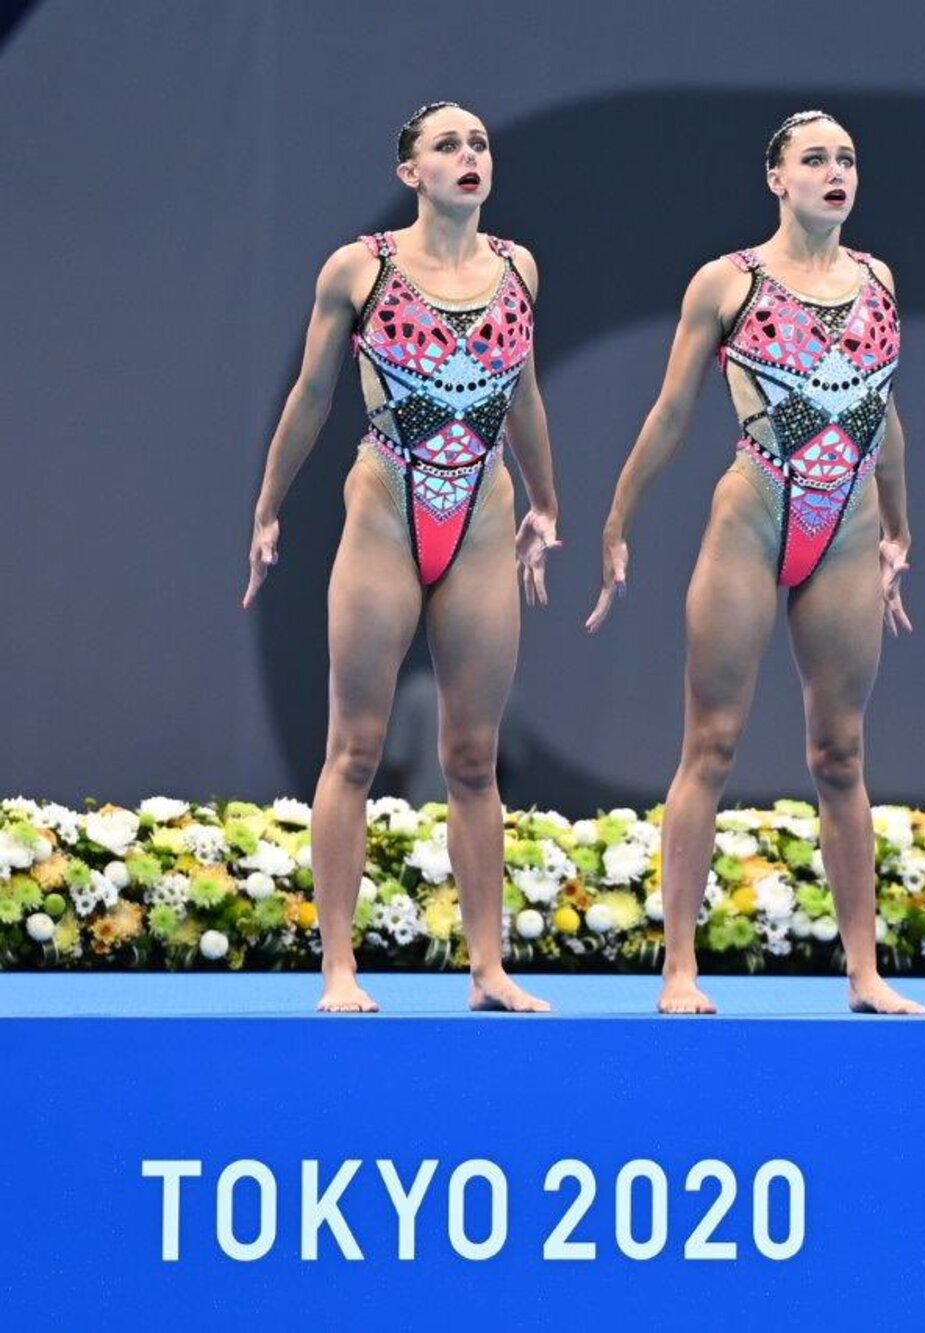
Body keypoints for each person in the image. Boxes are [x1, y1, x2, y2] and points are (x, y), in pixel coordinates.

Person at [588, 110, 923, 1015]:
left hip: (846, 524)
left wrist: (899, 525)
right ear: (777, 177)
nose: (835, 172)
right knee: (714, 742)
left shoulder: (878, 280)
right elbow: (669, 413)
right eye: (815, 159)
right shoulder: (727, 283)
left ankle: (863, 972)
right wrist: (618, 517)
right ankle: (680, 968)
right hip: (754, 512)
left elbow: (882, 414)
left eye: (848, 158)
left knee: (842, 752)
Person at [244, 102, 562, 1014]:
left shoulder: (517, 268)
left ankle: (489, 970)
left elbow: (526, 396)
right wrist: (268, 507)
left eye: (479, 143)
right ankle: (339, 968)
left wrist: (548, 502)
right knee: (356, 746)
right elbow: (310, 397)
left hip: (484, 511)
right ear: (410, 171)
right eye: (448, 146)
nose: (469, 157)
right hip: (386, 506)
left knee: (472, 756)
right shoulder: (362, 267)